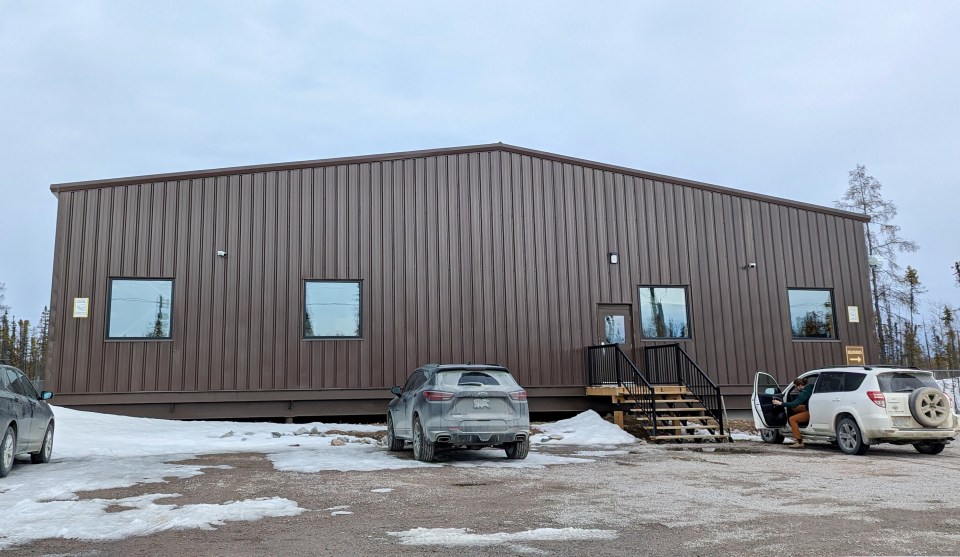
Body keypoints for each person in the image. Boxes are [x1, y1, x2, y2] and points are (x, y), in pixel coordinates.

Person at [772, 377, 814, 449]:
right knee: (794, 408)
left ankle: (799, 442)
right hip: (811, 407)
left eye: (795, 386)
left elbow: (794, 404)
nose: (796, 388)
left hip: (811, 411)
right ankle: (797, 426)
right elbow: (794, 406)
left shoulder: (804, 393)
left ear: (800, 385)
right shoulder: (810, 387)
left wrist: (780, 403)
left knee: (792, 419)